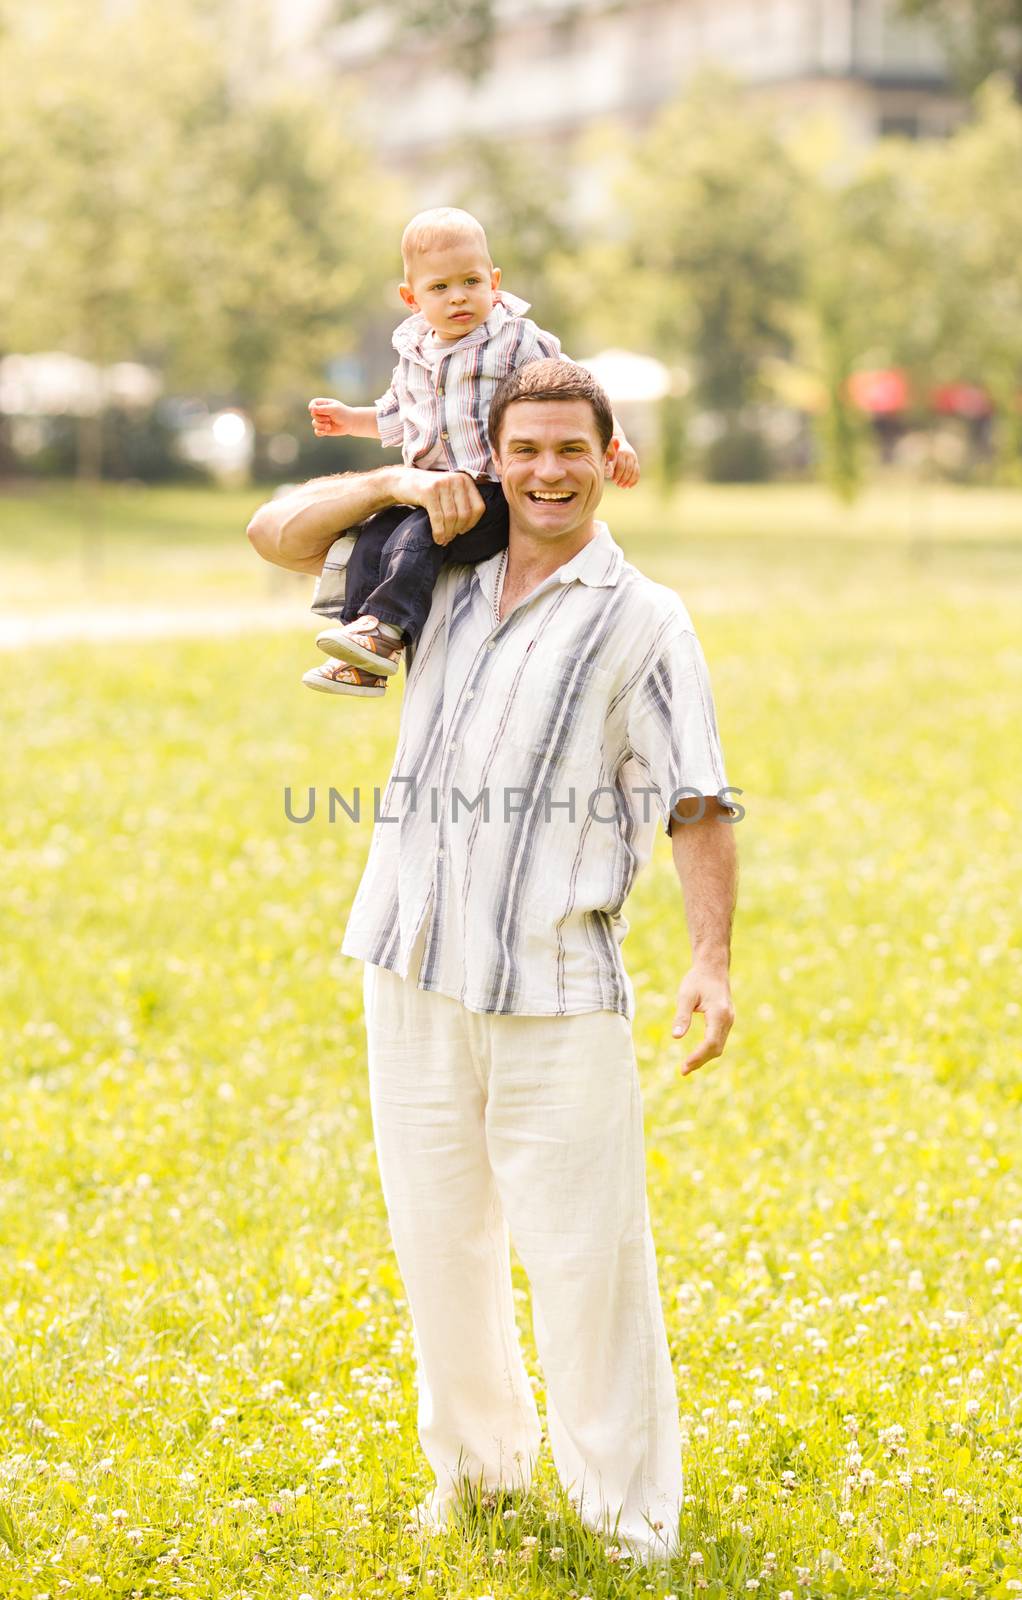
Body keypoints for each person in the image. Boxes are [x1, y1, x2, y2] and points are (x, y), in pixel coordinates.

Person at [246, 359, 738, 1564]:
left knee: (587, 1258)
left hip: (553, 982)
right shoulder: (433, 568)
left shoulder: (642, 617)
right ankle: (476, 1474)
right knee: (438, 1243)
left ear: (610, 458)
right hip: (408, 959)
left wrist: (710, 960)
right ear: (494, 456)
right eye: (525, 451)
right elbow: (272, 533)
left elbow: (695, 798)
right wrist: (395, 475)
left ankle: (626, 1516)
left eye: (571, 449)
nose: (547, 472)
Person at [301, 205, 638, 696]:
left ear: (493, 280)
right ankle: (363, 646)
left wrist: (615, 439)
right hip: (429, 489)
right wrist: (350, 420)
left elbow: (579, 391)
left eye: (471, 282)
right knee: (374, 536)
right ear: (411, 297)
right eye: (439, 288)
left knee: (418, 536)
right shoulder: (413, 353)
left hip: (492, 494)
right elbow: (398, 415)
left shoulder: (514, 338)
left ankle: (385, 631)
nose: (458, 297)